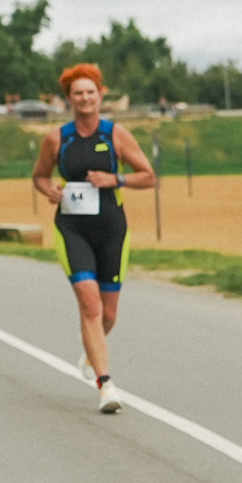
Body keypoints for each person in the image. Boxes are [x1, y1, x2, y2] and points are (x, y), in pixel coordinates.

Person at [30, 62, 155, 414]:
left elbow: (148, 176)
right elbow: (39, 176)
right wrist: (49, 190)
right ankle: (106, 386)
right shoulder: (57, 138)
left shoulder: (116, 135)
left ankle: (92, 348)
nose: (84, 98)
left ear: (100, 95)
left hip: (112, 229)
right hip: (72, 228)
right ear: (68, 99)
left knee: (109, 315)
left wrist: (115, 180)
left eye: (90, 92)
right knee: (90, 305)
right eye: (77, 93)